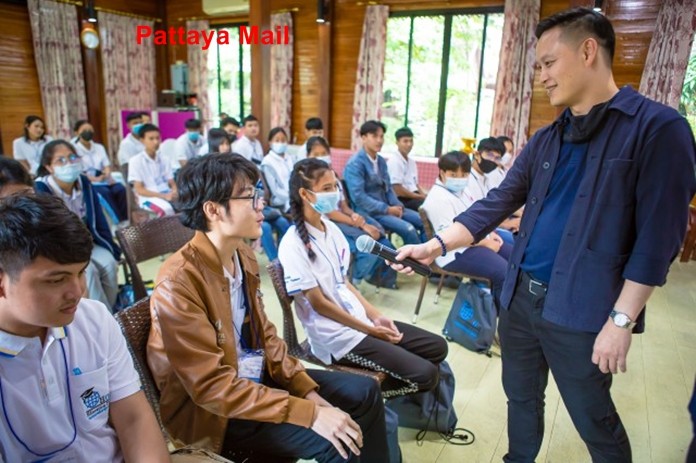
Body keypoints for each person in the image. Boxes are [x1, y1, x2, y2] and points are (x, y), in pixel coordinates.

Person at [390, 8, 696, 462]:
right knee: (521, 399)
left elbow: (659, 240)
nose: (543, 76)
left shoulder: (657, 129)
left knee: (593, 418)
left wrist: (621, 321)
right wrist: (434, 245)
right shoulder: (547, 138)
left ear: (588, 51)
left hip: (583, 310)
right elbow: (496, 203)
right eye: (539, 66)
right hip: (519, 302)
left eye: (549, 63)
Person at [147, 153, 389, 462]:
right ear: (213, 210)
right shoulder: (178, 283)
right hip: (217, 412)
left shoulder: (242, 254)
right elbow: (211, 387)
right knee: (334, 440)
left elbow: (267, 336)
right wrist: (310, 414)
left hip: (254, 378)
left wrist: (306, 391)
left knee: (365, 391)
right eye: (249, 196)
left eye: (258, 193)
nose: (261, 204)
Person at [0, 194, 169, 462]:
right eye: (56, 280)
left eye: (81, 273)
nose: (77, 291)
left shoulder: (94, 319)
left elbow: (133, 419)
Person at [279, 158, 448, 398]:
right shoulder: (292, 244)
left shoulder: (331, 229)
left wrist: (377, 317)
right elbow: (319, 304)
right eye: (326, 188)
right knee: (426, 374)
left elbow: (344, 283)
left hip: (360, 322)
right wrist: (370, 330)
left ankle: (402, 387)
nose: (334, 193)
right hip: (338, 338)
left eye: (335, 186)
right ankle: (370, 398)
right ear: (305, 194)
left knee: (437, 347)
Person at [34, 140, 121, 310]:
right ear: (49, 167)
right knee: (89, 272)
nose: (69, 163)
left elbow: (98, 219)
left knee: (110, 264)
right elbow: (46, 231)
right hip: (63, 249)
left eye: (72, 157)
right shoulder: (42, 189)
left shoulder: (84, 182)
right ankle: (102, 318)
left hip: (88, 241)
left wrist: (110, 245)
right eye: (61, 160)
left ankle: (109, 311)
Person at [421, 151, 511, 306]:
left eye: (464, 175)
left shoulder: (463, 190)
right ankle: (499, 315)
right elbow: (450, 239)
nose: (459, 179)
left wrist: (491, 233)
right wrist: (486, 243)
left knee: (516, 258)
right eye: (453, 175)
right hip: (454, 252)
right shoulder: (437, 199)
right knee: (504, 272)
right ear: (442, 172)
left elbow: (477, 215)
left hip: (475, 241)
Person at [306, 136, 388, 285]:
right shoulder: (310, 183)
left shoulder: (334, 178)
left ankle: (359, 278)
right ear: (308, 156)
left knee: (379, 237)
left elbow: (343, 206)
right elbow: (330, 212)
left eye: (324, 153)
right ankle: (354, 280)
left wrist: (354, 216)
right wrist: (359, 224)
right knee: (367, 246)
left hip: (343, 218)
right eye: (316, 154)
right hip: (328, 222)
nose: (321, 157)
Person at [343, 120, 425, 245]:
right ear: (363, 138)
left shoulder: (381, 161)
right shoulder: (355, 164)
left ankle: (427, 254)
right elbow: (359, 197)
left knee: (423, 221)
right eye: (374, 136)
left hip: (388, 207)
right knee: (409, 229)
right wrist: (387, 209)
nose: (379, 140)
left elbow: (389, 188)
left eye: (381, 137)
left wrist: (397, 205)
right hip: (370, 212)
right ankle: (413, 257)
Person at [72, 119, 128, 222]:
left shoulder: (99, 147)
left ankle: (126, 220)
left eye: (90, 130)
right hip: (89, 181)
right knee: (105, 192)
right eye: (84, 130)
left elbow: (106, 165)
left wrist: (106, 174)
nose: (88, 132)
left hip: (104, 179)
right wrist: (94, 179)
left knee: (120, 189)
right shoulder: (73, 149)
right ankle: (117, 221)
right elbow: (78, 171)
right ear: (76, 133)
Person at [127, 124, 177, 217]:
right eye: (151, 139)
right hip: (147, 198)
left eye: (158, 138)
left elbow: (171, 182)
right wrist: (163, 196)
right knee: (166, 210)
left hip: (167, 193)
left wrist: (175, 191)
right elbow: (139, 190)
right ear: (142, 140)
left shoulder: (165, 159)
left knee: (189, 205)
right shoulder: (135, 161)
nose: (156, 142)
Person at [386, 127, 426, 211]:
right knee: (426, 207)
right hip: (402, 199)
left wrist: (424, 195)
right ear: (397, 142)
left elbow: (416, 184)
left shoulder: (412, 162)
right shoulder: (394, 161)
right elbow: (397, 189)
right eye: (405, 141)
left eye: (411, 141)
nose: (409, 144)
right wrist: (419, 197)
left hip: (414, 196)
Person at [260, 127, 294, 213]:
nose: (280, 143)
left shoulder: (290, 158)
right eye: (277, 140)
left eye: (283, 140)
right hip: (279, 201)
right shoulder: (267, 162)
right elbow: (275, 190)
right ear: (270, 142)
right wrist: (292, 196)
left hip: (294, 196)